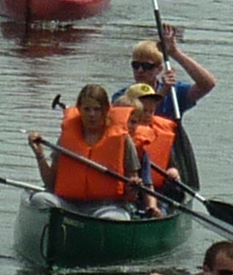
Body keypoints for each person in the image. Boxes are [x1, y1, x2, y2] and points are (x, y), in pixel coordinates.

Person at [29, 83, 146, 216]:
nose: (92, 114)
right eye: (87, 109)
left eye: (97, 109)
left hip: (108, 207)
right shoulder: (66, 137)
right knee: (40, 199)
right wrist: (40, 155)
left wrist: (133, 187)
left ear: (106, 110)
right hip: (69, 204)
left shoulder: (123, 139)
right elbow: (51, 183)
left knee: (113, 218)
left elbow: (132, 193)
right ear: (79, 109)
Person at [116, 26, 215, 121]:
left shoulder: (174, 92)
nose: (140, 70)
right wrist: (162, 93)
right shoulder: (123, 96)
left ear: (159, 69)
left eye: (147, 66)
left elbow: (207, 84)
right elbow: (141, 115)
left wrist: (175, 52)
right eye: (136, 65)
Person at [123, 81, 181, 200]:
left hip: (156, 191)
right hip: (125, 189)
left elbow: (171, 163)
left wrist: (173, 171)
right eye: (144, 110)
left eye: (151, 111)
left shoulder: (160, 132)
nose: (148, 115)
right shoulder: (117, 133)